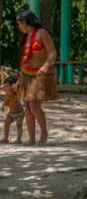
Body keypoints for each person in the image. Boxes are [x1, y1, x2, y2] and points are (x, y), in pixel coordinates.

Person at [16, 9, 58, 145]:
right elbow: (25, 58)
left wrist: (46, 66)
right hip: (26, 74)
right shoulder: (26, 36)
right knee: (27, 106)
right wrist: (19, 79)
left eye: (20, 23)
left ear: (26, 22)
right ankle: (32, 138)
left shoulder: (42, 33)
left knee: (34, 106)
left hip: (40, 74)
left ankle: (44, 132)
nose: (19, 27)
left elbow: (52, 53)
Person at [2, 76, 24, 144]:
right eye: (4, 86)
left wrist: (16, 86)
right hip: (11, 113)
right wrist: (2, 106)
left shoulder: (16, 93)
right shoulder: (7, 94)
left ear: (13, 86)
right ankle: (6, 138)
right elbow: (6, 101)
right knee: (6, 124)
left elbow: (19, 86)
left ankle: (19, 139)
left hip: (19, 113)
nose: (5, 87)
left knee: (19, 125)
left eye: (7, 86)